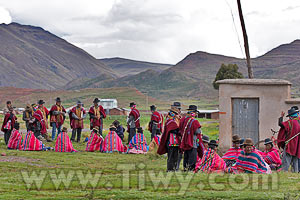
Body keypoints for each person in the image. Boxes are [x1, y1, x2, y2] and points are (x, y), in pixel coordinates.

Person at [277, 106, 300, 172]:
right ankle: (295, 172)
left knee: (286, 160)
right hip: (297, 145)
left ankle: (285, 172)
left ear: (290, 115)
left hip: (290, 145)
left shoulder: (290, 122)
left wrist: (281, 117)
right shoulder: (299, 122)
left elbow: (281, 124)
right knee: (295, 161)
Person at [180, 105, 202, 171]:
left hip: (185, 141)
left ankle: (185, 168)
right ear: (193, 113)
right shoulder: (194, 121)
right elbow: (197, 131)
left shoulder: (184, 120)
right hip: (192, 142)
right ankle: (190, 169)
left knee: (186, 155)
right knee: (192, 157)